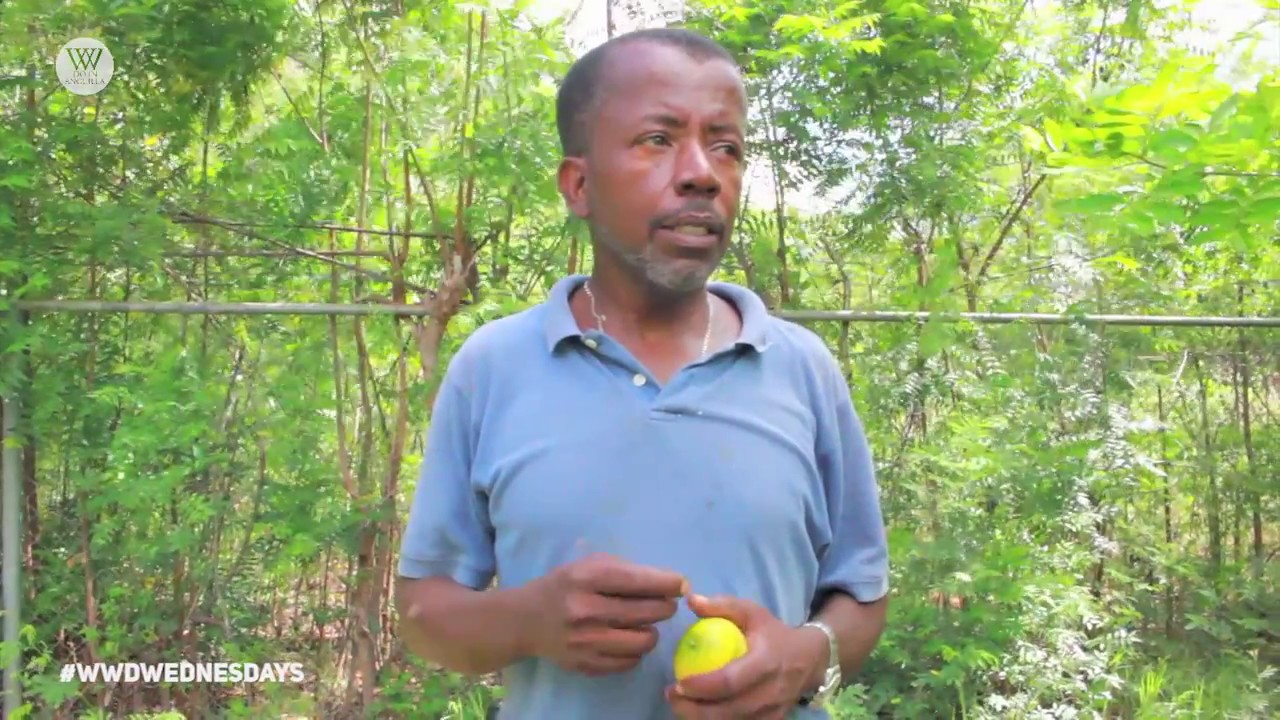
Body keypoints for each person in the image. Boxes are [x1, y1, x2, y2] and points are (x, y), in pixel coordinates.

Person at [395, 27, 890, 720]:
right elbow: (423, 610)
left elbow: (861, 596)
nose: (702, 173)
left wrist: (807, 657)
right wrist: (528, 620)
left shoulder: (802, 369)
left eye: (726, 147)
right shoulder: (494, 366)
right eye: (658, 140)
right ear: (580, 185)